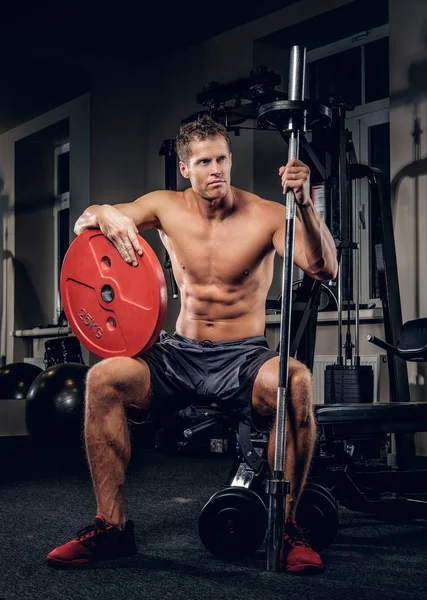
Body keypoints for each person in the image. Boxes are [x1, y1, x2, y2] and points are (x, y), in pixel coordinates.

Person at [46, 115, 338, 573]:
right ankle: (112, 527)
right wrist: (104, 212)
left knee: (296, 383)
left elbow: (324, 269)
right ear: (186, 167)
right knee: (104, 378)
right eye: (204, 161)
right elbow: (88, 221)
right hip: (179, 353)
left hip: (242, 356)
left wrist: (304, 205)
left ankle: (287, 529)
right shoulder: (165, 207)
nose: (216, 169)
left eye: (222, 158)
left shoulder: (264, 214)